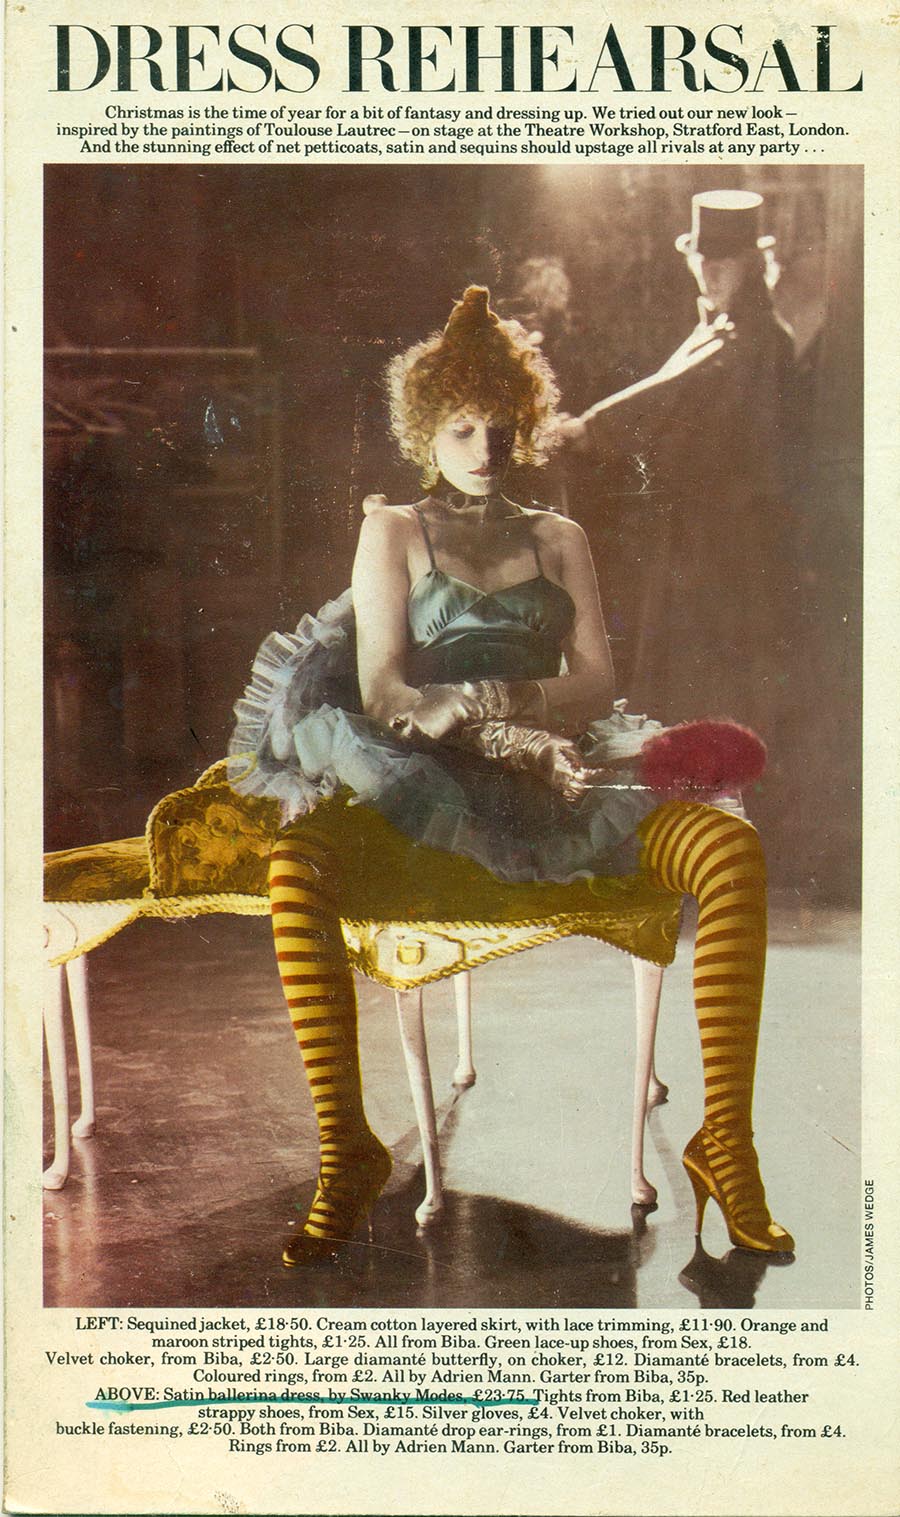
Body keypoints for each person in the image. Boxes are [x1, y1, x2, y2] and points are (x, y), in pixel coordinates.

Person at [229, 285, 794, 1266]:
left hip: (558, 765)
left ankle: (726, 1145)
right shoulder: (392, 529)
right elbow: (383, 687)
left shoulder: (558, 536)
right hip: (421, 779)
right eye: (461, 427)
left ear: (523, 423)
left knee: (729, 849)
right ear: (424, 430)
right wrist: (474, 722)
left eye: (499, 426)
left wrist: (521, 712)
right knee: (296, 866)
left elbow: (595, 682)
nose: (484, 446)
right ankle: (348, 1148)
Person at [559, 189, 799, 738]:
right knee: (683, 666)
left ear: (752, 265)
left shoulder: (752, 338)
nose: (710, 273)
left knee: (713, 670)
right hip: (699, 527)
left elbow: (672, 394)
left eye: (725, 262)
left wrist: (588, 429)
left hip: (734, 535)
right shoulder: (716, 327)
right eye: (703, 261)